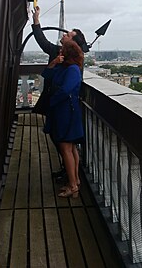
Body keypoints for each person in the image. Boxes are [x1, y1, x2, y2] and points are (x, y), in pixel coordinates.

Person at [31, 6, 88, 179]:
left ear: (72, 44)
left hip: (62, 105)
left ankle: (71, 178)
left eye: (68, 35)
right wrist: (36, 21)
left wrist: (53, 99)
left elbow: (66, 87)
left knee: (64, 142)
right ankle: (71, 175)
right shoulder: (61, 55)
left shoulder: (72, 64)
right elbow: (42, 41)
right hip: (59, 104)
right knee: (64, 143)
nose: (64, 35)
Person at [42, 40, 84, 198]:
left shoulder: (72, 69)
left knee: (66, 148)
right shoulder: (64, 67)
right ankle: (76, 180)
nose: (60, 53)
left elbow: (66, 90)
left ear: (68, 54)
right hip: (63, 110)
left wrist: (51, 101)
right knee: (70, 148)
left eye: (62, 51)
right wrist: (54, 62)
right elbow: (46, 75)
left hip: (66, 111)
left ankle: (73, 186)